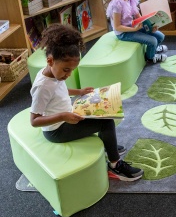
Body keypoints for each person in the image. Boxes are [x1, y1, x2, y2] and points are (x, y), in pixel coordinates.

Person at [30, 24, 144, 182]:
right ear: (50, 61)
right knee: (106, 122)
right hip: (56, 131)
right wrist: (64, 116)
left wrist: (79, 92)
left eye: (72, 70)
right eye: (66, 70)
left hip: (66, 117)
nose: (68, 75)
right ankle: (115, 165)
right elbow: (34, 121)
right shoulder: (42, 86)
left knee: (103, 112)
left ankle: (108, 145)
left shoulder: (53, 73)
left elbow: (59, 91)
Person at [106, 0, 168, 64]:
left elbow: (138, 16)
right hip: (124, 33)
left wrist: (150, 25)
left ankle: (154, 48)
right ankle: (150, 58)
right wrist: (133, 29)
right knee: (152, 41)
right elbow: (117, 27)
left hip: (134, 27)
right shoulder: (117, 4)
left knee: (160, 36)